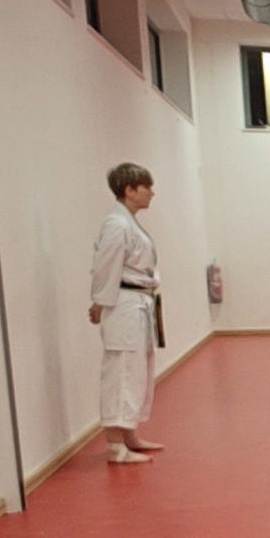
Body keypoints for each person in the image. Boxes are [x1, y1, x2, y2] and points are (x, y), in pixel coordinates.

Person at [88, 163, 167, 465]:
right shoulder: (117, 225)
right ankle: (114, 445)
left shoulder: (127, 223)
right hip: (123, 305)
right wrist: (99, 302)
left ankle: (129, 432)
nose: (152, 193)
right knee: (121, 372)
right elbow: (105, 267)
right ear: (129, 190)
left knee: (137, 372)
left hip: (138, 304)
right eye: (147, 187)